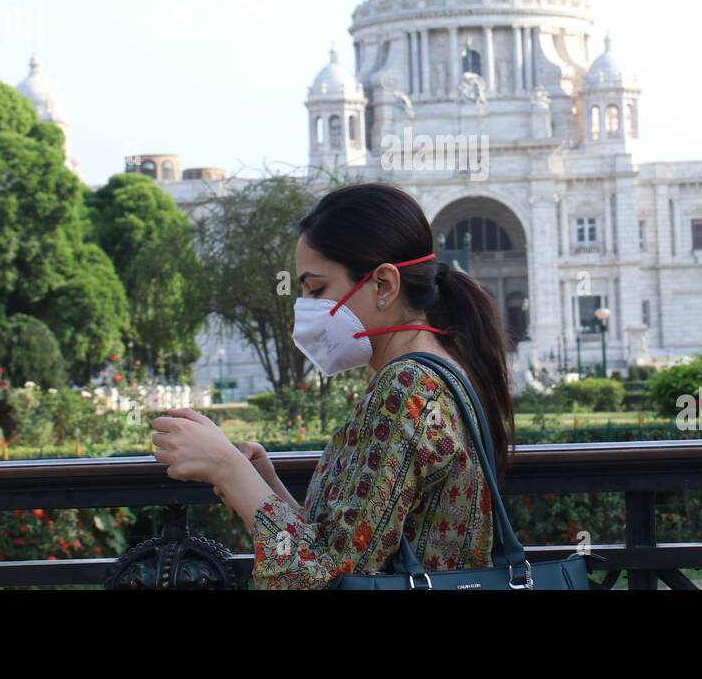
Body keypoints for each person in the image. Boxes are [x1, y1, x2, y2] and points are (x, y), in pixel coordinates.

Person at [151, 181, 516, 588]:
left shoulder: (408, 386)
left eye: (317, 289)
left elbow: (324, 579)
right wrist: (267, 485)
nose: (306, 308)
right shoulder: (445, 368)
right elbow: (349, 550)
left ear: (383, 285)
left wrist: (228, 469)